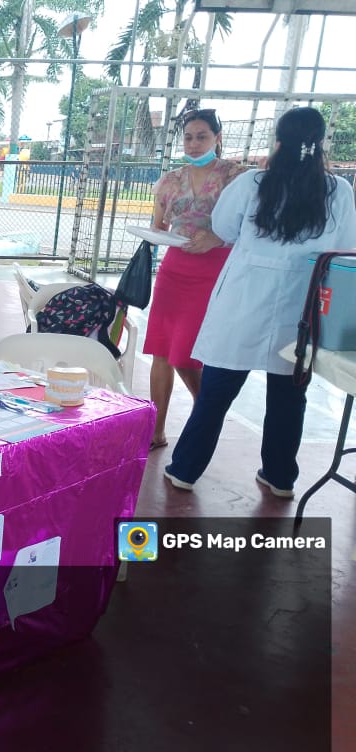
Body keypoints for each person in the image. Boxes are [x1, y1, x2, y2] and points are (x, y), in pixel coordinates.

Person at [164, 106, 356, 496]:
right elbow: (345, 246)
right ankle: (280, 476)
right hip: (299, 307)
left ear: (278, 141)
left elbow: (223, 227)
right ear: (320, 143)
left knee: (216, 392)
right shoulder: (338, 191)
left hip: (243, 302)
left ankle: (185, 469)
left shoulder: (253, 183)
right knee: (289, 395)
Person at [143, 108, 246, 450]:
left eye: (202, 136)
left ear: (217, 137)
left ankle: (207, 415)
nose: (194, 144)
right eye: (188, 137)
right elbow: (158, 224)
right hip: (174, 268)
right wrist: (155, 235)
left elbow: (252, 224)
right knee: (161, 350)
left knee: (185, 353)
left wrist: (216, 238)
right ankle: (155, 431)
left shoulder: (237, 177)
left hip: (214, 270)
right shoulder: (170, 180)